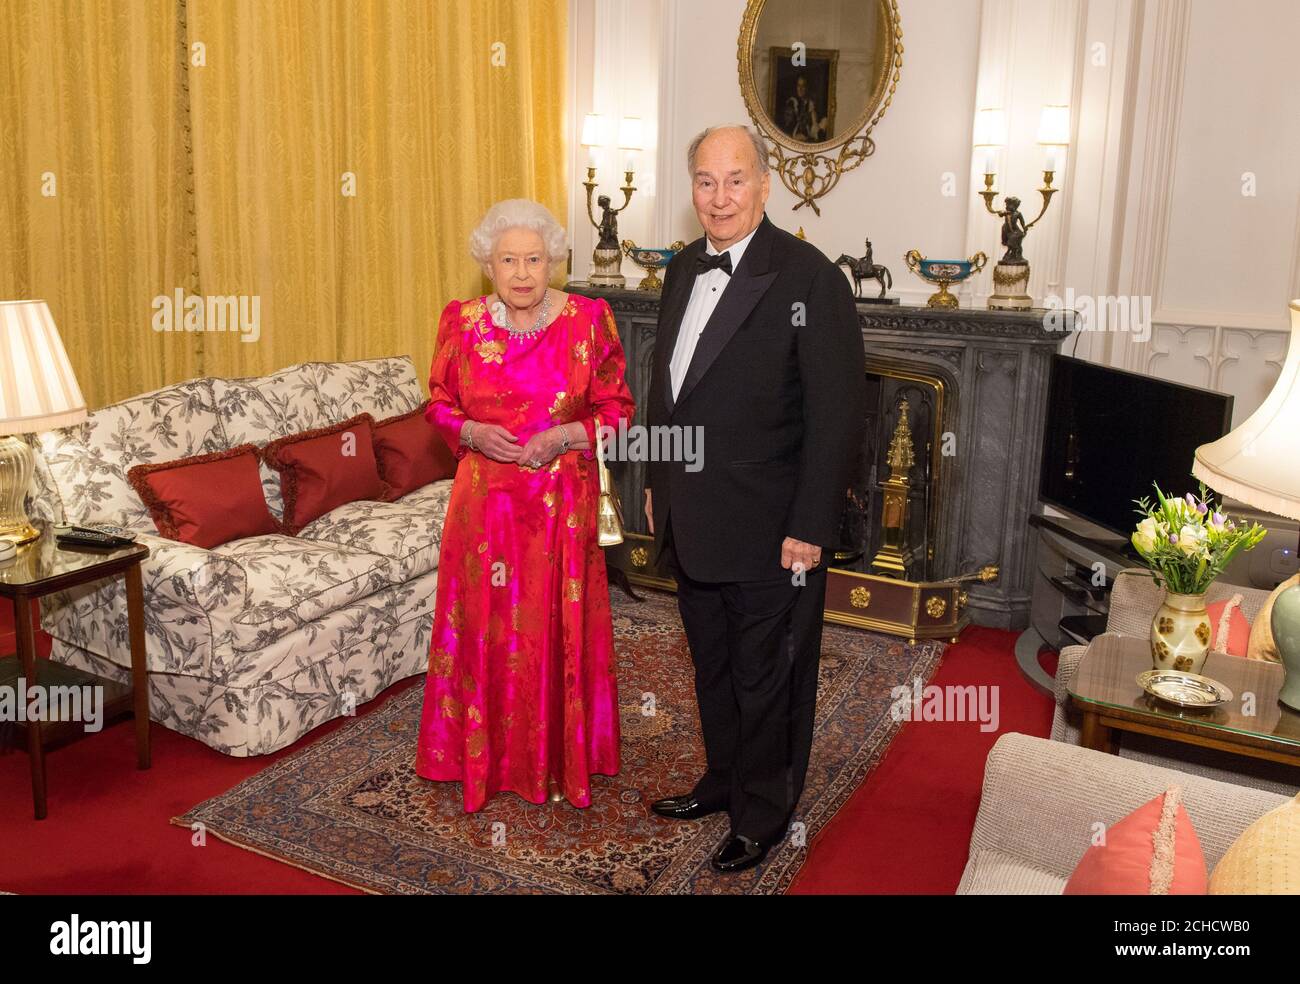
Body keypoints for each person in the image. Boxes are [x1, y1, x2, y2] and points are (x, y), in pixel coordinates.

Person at [644, 125, 867, 872]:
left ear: (765, 185)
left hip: (774, 527)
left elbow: (836, 416)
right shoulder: (681, 270)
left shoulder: (810, 279)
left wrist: (811, 525)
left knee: (767, 672)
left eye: (734, 180)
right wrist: (654, 481)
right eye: (705, 181)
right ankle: (723, 779)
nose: (719, 197)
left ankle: (764, 814)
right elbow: (665, 393)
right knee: (710, 665)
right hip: (691, 515)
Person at [415, 198, 635, 811]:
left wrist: (563, 436)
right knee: (486, 629)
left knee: (551, 630)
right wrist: (469, 432)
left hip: (560, 504)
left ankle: (559, 760)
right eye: (507, 259)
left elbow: (618, 411)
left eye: (533, 259)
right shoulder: (461, 322)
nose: (520, 272)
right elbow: (436, 403)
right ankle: (487, 761)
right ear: (487, 264)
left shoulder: (590, 319)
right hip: (485, 507)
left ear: (553, 261)